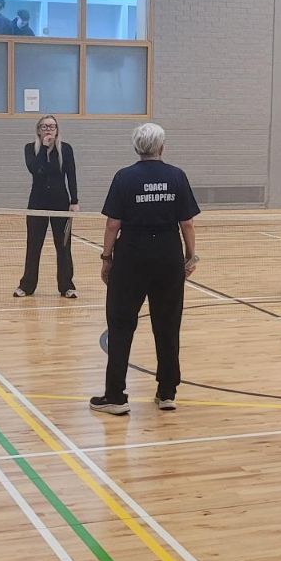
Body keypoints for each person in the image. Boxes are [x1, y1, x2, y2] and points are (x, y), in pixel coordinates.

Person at [92, 123, 199, 415]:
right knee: (167, 325)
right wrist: (191, 256)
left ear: (137, 147)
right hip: (167, 255)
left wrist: (106, 258)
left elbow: (113, 223)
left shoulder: (124, 177)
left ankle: (115, 396)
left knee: (121, 324)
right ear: (161, 147)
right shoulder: (176, 176)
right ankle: (167, 392)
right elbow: (186, 223)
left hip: (132, 257)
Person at [15, 114, 78, 299]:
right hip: (37, 203)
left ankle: (66, 286)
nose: (48, 129)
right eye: (44, 126)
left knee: (64, 246)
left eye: (52, 126)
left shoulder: (66, 149)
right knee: (34, 245)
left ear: (57, 130)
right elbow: (36, 169)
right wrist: (43, 147)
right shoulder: (30, 149)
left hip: (60, 202)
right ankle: (27, 286)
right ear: (38, 130)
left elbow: (71, 175)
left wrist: (74, 201)